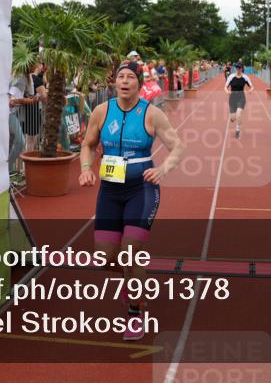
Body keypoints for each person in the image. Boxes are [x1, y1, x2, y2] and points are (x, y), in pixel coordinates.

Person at [78, 61, 185, 341]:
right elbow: (88, 144)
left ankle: (135, 313)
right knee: (104, 258)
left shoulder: (152, 114)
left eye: (130, 77)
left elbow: (177, 146)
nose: (124, 81)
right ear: (115, 82)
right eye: (120, 77)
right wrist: (85, 168)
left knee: (130, 252)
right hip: (110, 191)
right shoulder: (102, 111)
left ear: (139, 83)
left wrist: (163, 169)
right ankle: (132, 279)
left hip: (142, 189)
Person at [225, 62, 254, 139]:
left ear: (242, 68)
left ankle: (237, 130)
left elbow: (252, 86)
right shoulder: (231, 77)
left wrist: (250, 90)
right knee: (233, 118)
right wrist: (227, 91)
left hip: (241, 98)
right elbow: (225, 87)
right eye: (237, 67)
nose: (238, 69)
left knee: (238, 114)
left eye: (239, 68)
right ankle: (232, 118)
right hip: (232, 98)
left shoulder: (245, 77)